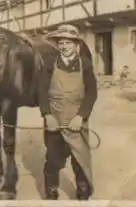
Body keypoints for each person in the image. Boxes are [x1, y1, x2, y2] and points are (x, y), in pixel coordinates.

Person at [38, 24, 98, 200]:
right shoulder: (49, 63)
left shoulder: (85, 64)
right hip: (55, 118)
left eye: (68, 43)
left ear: (76, 44)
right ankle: (51, 191)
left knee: (79, 158)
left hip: (76, 118)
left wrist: (80, 117)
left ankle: (82, 191)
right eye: (61, 43)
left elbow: (92, 93)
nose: (64, 46)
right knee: (53, 158)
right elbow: (41, 91)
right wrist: (47, 116)